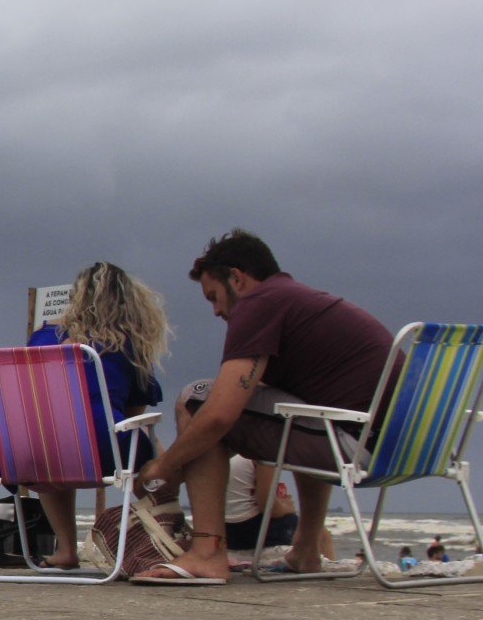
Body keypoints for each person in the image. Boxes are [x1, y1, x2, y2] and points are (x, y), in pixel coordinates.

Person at [135, 229, 393, 584]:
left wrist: (165, 465)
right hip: (400, 446)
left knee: (198, 401)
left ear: (237, 278)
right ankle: (305, 550)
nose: (215, 311)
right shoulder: (301, 300)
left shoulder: (260, 304)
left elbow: (220, 414)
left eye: (214, 297)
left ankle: (207, 552)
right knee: (302, 410)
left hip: (356, 443)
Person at [23, 263, 169, 569]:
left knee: (55, 439)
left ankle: (66, 549)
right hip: (102, 449)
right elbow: (133, 414)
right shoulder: (128, 345)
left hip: (29, 453)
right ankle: (159, 534)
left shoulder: (41, 339)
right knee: (156, 447)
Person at [225, 455, 298, 551]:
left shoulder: (238, 451)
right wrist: (288, 508)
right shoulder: (267, 453)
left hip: (225, 528)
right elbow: (269, 507)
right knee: (311, 527)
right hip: (246, 530)